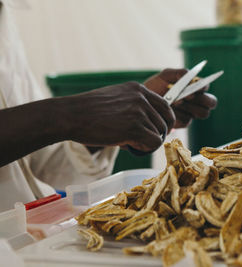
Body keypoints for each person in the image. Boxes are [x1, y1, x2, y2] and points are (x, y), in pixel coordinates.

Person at [0, 0, 217, 212]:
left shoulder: (6, 13)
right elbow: (53, 122)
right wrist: (69, 116)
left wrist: (116, 122)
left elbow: (39, 166)